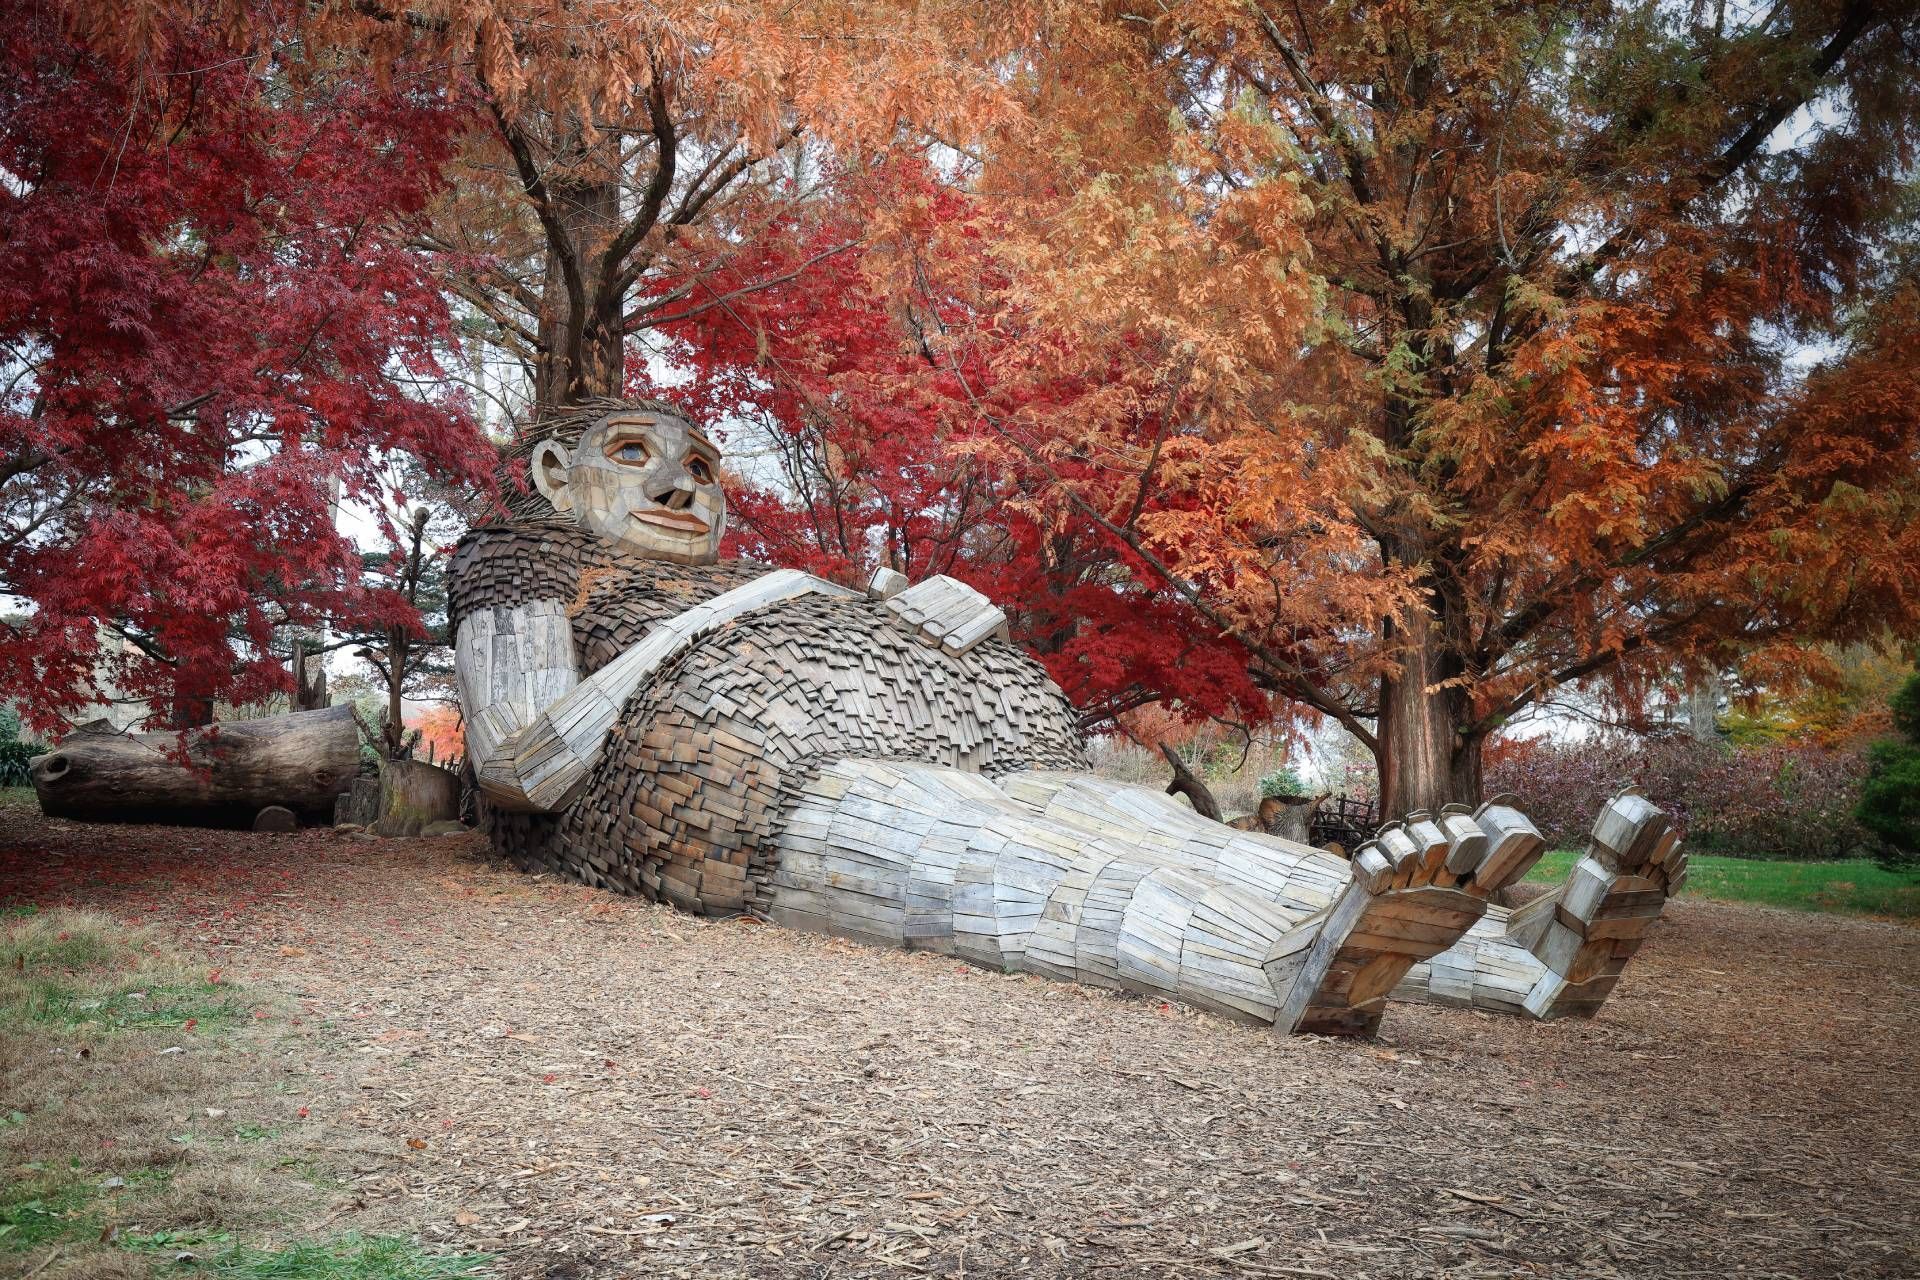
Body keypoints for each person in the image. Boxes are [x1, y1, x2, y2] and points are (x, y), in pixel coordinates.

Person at [450, 399, 1659, 1036]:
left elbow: (815, 638)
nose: (683, 486)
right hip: (766, 788)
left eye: (704, 468)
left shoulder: (755, 584)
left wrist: (920, 621)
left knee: (1119, 818)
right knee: (985, 852)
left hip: (915, 725)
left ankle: (1516, 960)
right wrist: (730, 613)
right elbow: (517, 763)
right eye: (636, 454)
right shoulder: (522, 575)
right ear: (559, 478)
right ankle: (1277, 962)